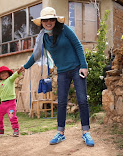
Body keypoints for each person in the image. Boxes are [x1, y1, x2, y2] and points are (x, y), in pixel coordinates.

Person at [22, 7, 94, 146]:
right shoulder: (42, 37)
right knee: (61, 102)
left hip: (77, 69)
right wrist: (25, 66)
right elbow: (36, 54)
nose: (49, 22)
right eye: (45, 20)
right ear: (42, 22)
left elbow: (78, 46)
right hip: (62, 72)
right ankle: (60, 133)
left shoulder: (64, 30)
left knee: (82, 100)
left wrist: (84, 66)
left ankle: (86, 132)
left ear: (55, 20)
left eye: (51, 19)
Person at [0, 66, 24, 137]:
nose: (3, 74)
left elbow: (15, 76)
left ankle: (16, 130)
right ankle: (0, 129)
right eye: (1, 73)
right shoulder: (0, 84)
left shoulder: (10, 80)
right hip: (3, 104)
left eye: (5, 72)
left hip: (11, 103)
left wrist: (19, 71)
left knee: (12, 116)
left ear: (8, 73)